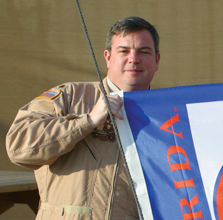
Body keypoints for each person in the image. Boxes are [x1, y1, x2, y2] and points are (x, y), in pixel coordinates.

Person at [6, 16, 160, 220]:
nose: (133, 59)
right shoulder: (69, 96)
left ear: (157, 60)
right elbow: (18, 146)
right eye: (123, 51)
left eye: (144, 51)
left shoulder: (167, 116)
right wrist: (86, 121)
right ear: (108, 57)